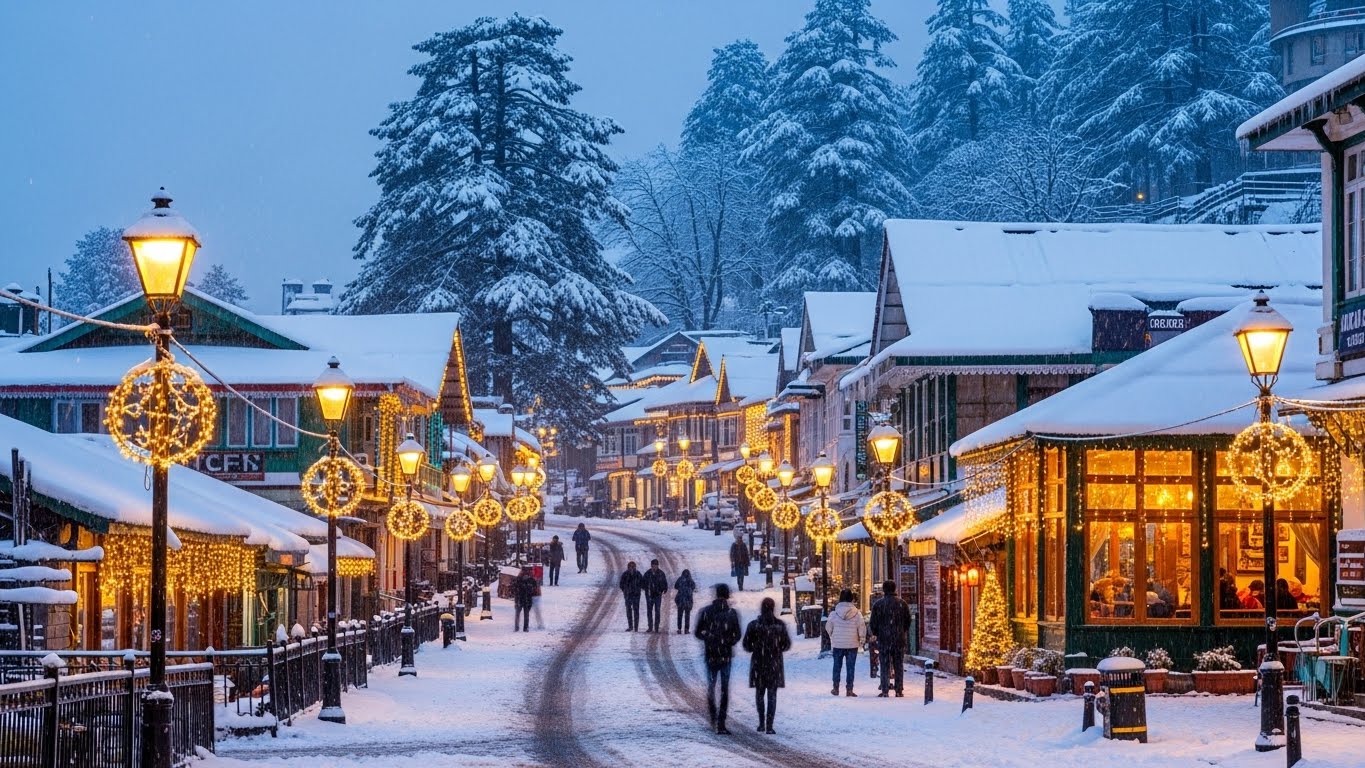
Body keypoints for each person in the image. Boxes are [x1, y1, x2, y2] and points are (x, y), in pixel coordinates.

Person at [694, 583, 742, 734]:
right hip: (725, 654)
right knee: (724, 689)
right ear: (727, 595)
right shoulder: (732, 613)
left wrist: (708, 637)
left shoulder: (707, 611)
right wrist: (728, 641)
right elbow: (737, 634)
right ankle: (721, 722)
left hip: (711, 654)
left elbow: (697, 633)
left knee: (711, 686)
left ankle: (713, 717)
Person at [741, 597, 791, 735]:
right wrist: (776, 648)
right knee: (772, 694)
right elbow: (786, 644)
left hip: (759, 662)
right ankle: (769, 725)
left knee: (759, 693)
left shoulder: (754, 625)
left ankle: (761, 722)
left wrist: (756, 647)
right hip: (774, 663)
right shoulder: (779, 625)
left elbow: (746, 645)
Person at [868, 580, 911, 697]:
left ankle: (885, 688)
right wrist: (902, 631)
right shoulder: (902, 604)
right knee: (898, 664)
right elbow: (908, 621)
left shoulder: (878, 605)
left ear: (884, 590)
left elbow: (873, 623)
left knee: (884, 664)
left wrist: (878, 633)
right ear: (895, 589)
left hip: (884, 639)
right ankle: (898, 689)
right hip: (898, 639)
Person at [825, 588, 866, 696]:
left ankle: (836, 688)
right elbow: (861, 627)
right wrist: (861, 639)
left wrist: (832, 635)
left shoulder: (834, 613)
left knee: (837, 666)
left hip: (838, 644)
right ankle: (849, 689)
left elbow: (828, 627)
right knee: (850, 667)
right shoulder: (857, 613)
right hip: (852, 644)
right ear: (851, 599)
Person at [642, 559, 670, 633]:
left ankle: (656, 627)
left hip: (657, 595)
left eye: (655, 565)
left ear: (657, 566)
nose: (654, 567)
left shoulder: (661, 573)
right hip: (649, 595)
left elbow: (665, 583)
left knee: (657, 611)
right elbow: (642, 583)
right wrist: (646, 589)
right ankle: (650, 627)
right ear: (651, 566)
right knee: (649, 612)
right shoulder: (647, 574)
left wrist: (664, 589)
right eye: (653, 565)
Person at [619, 561, 644, 631]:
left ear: (635, 567)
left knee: (636, 611)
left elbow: (642, 584)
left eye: (633, 567)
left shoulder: (638, 574)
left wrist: (638, 590)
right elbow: (621, 584)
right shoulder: (625, 574)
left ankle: (636, 627)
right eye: (630, 567)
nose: (632, 568)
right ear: (628, 567)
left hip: (636, 595)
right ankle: (630, 626)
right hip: (628, 595)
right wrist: (625, 591)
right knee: (628, 611)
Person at [512, 567, 537, 632]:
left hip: (520, 599)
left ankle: (517, 627)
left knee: (518, 614)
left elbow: (513, 588)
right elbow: (534, 589)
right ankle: (525, 628)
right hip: (526, 599)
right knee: (525, 614)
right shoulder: (531, 580)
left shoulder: (518, 579)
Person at [674, 568, 697, 634]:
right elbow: (693, 587)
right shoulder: (690, 580)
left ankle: (679, 629)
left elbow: (675, 586)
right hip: (688, 600)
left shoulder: (680, 579)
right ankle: (686, 629)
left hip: (681, 600)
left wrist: (681, 589)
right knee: (687, 616)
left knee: (680, 615)